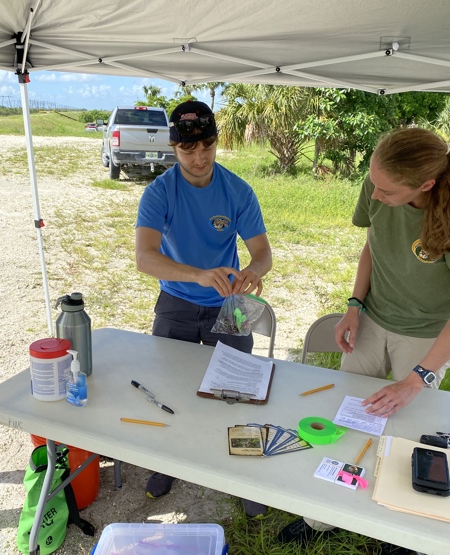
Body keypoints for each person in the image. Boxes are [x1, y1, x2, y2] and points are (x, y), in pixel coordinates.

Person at [278, 127, 450, 554]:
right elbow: (373, 243)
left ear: (425, 185)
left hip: (428, 334)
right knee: (347, 419)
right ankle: (321, 516)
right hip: (373, 318)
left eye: (387, 191)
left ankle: (396, 529)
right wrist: (354, 304)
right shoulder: (378, 182)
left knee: (409, 431)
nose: (375, 196)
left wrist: (417, 378)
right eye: (373, 183)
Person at [135, 100, 272, 517]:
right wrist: (195, 275)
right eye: (188, 150)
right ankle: (167, 463)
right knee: (170, 388)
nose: (199, 158)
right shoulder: (160, 191)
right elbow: (145, 257)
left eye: (207, 146)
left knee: (238, 392)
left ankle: (244, 474)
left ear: (216, 142)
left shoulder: (237, 191)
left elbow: (263, 253)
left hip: (227, 306)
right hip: (176, 301)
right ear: (173, 149)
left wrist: (252, 271)